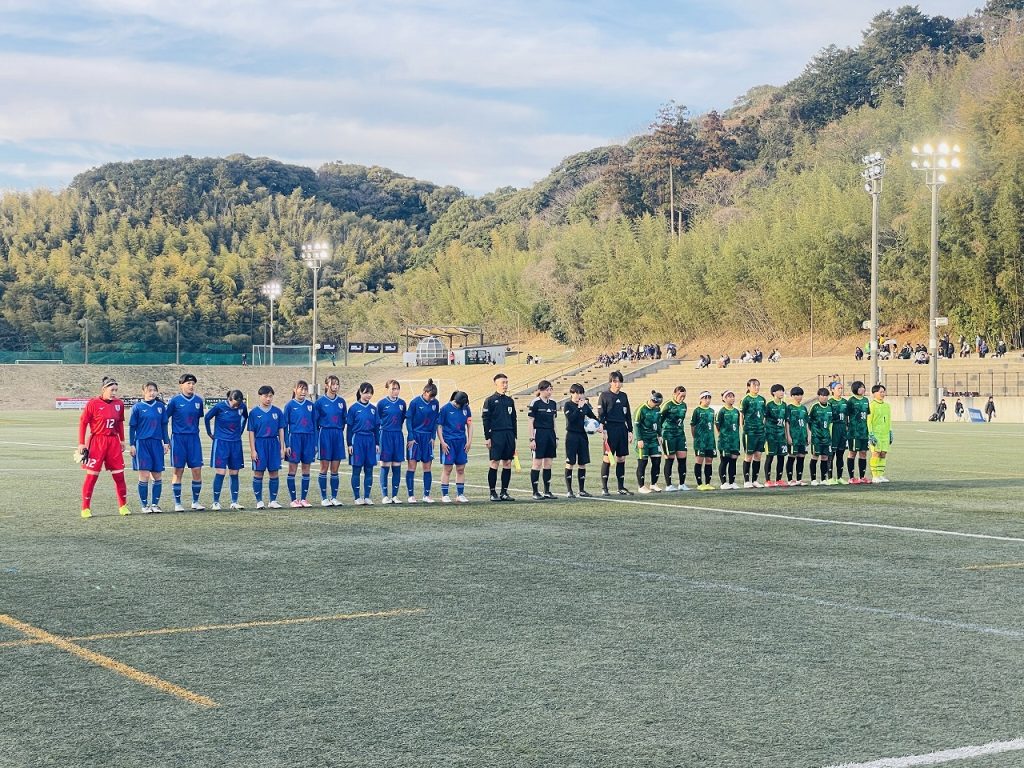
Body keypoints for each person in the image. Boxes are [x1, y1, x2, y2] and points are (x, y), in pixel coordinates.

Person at [77, 376, 130, 519]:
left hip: (113, 442)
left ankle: (123, 506)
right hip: (97, 442)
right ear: (103, 389)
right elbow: (83, 422)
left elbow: (119, 423)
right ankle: (85, 508)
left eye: (116, 390)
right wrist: (81, 443)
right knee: (92, 476)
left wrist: (122, 440)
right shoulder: (93, 403)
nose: (114, 393)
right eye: (112, 390)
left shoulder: (119, 404)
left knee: (119, 475)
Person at [166, 373, 205, 511]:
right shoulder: (174, 401)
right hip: (178, 439)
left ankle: (195, 502)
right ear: (181, 385)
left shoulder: (198, 401)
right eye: (188, 383)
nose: (191, 386)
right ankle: (177, 503)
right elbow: (165, 419)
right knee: (178, 471)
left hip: (194, 439)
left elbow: (199, 418)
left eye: (193, 383)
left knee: (197, 470)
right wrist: (166, 439)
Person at [128, 381, 169, 514]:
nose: (152, 393)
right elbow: (132, 427)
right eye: (149, 390)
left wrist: (166, 442)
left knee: (157, 475)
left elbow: (164, 426)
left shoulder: (160, 407)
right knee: (144, 475)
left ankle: (155, 505)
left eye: (154, 390)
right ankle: (144, 505)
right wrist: (132, 444)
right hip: (142, 444)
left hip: (156, 443)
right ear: (143, 392)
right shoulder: (137, 407)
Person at [204, 389, 248, 510]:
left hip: (235, 443)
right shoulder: (219, 407)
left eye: (239, 404)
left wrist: (240, 431)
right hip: (221, 443)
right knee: (221, 472)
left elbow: (245, 417)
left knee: (234, 472)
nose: (236, 406)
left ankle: (234, 502)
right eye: (235, 403)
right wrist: (210, 433)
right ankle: (215, 502)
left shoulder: (242, 407)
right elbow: (207, 417)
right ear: (230, 399)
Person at [247, 385, 285, 509]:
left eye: (270, 396)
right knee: (258, 473)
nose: (268, 399)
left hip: (273, 443)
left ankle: (273, 500)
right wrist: (253, 450)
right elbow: (251, 432)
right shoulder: (254, 413)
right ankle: (259, 501)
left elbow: (281, 430)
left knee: (274, 472)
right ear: (260, 396)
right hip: (260, 444)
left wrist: (282, 448)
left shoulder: (277, 412)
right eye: (265, 396)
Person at [482, 372, 517, 501]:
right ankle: (492, 492)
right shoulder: (490, 400)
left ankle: (504, 492)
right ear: (496, 384)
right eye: (503, 382)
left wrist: (514, 435)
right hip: (496, 435)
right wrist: (488, 437)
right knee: (494, 462)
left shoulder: (510, 401)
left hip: (509, 435)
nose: (505, 385)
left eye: (506, 382)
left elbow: (514, 418)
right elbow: (486, 419)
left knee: (507, 463)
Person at [598, 370, 633, 496]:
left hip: (622, 429)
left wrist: (630, 430)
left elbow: (628, 414)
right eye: (615, 382)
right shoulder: (604, 395)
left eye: (619, 382)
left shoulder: (624, 396)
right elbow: (601, 415)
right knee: (608, 458)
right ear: (610, 382)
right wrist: (604, 430)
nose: (617, 384)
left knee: (621, 458)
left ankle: (621, 487)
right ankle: (604, 488)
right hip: (610, 429)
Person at [405, 379, 440, 503]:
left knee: (427, 466)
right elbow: (408, 420)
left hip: (427, 438)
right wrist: (411, 436)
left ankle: (426, 495)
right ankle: (411, 495)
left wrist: (433, 437)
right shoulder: (415, 402)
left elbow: (435, 421)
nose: (432, 399)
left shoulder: (435, 403)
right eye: (430, 396)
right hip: (415, 437)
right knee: (412, 466)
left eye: (434, 397)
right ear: (425, 392)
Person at [314, 374, 347, 507]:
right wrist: (317, 441)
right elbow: (315, 423)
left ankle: (334, 497)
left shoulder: (341, 402)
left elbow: (344, 420)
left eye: (337, 384)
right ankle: (324, 498)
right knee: (324, 467)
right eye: (333, 384)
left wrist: (338, 430)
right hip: (325, 434)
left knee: (335, 468)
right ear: (326, 385)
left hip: (337, 434)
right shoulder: (320, 402)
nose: (335, 386)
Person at [283, 380, 316, 508]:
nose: (303, 391)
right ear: (294, 390)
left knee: (306, 468)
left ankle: (303, 499)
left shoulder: (311, 405)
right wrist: (287, 444)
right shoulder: (289, 405)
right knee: (292, 469)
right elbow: (285, 427)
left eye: (305, 389)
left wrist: (315, 443)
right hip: (294, 439)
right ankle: (293, 499)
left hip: (308, 438)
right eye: (301, 388)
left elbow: (314, 425)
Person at [562, 384, 599, 498]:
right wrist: (579, 408)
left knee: (582, 463)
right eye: (577, 393)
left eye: (581, 393)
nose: (579, 395)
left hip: (582, 436)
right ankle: (569, 491)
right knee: (570, 463)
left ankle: (581, 490)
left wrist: (599, 425)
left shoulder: (585, 406)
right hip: (572, 436)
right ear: (572, 394)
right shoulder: (568, 405)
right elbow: (571, 419)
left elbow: (593, 417)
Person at [347, 382, 381, 504]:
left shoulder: (373, 409)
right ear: (361, 392)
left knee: (369, 469)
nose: (369, 395)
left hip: (370, 440)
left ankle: (367, 497)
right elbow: (349, 428)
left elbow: (377, 428)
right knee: (356, 469)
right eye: (366, 392)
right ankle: (357, 497)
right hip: (357, 440)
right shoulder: (353, 408)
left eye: (371, 393)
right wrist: (349, 444)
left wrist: (377, 443)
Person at [437, 390, 472, 503]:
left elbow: (469, 425)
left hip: (461, 442)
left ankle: (460, 495)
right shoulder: (445, 409)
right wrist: (442, 442)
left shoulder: (466, 408)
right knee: (448, 469)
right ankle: (445, 495)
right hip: (448, 442)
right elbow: (439, 426)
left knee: (461, 468)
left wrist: (469, 441)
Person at [528, 380, 559, 499]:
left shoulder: (553, 403)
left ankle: (547, 491)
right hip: (539, 434)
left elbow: (554, 421)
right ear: (541, 390)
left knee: (548, 463)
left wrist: (556, 437)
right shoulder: (535, 403)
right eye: (547, 389)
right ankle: (535, 492)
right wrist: (532, 439)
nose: (549, 392)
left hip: (550, 434)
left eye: (551, 389)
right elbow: (531, 422)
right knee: (537, 463)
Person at [377, 379, 407, 504]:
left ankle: (395, 495)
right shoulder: (381, 403)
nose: (396, 391)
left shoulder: (402, 403)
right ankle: (385, 496)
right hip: (385, 435)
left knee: (397, 465)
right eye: (393, 388)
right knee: (385, 464)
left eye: (397, 388)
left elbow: (402, 419)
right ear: (387, 389)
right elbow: (377, 420)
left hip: (397, 435)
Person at [659, 386, 689, 491]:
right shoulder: (667, 405)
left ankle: (682, 484)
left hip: (680, 435)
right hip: (668, 435)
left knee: (682, 459)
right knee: (669, 459)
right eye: (681, 396)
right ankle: (669, 485)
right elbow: (659, 420)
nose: (682, 398)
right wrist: (659, 434)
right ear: (675, 394)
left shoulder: (684, 405)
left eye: (684, 396)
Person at [634, 391, 664, 494]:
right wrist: (639, 439)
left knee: (657, 461)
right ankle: (641, 486)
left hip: (653, 439)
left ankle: (653, 484)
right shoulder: (641, 409)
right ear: (651, 400)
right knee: (643, 462)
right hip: (643, 439)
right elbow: (636, 425)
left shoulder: (657, 409)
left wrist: (659, 435)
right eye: (655, 403)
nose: (656, 406)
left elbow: (658, 423)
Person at [739, 378, 766, 488]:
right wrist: (743, 427)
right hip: (749, 432)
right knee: (748, 456)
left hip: (760, 431)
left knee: (758, 455)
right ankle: (746, 481)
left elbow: (763, 414)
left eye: (758, 385)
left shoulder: (762, 399)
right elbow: (741, 414)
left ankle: (755, 480)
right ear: (748, 387)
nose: (757, 387)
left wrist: (763, 425)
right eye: (754, 385)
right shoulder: (745, 399)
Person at [690, 391, 717, 491]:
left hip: (710, 441)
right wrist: (696, 437)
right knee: (699, 461)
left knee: (709, 461)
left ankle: (708, 483)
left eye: (709, 398)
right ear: (701, 399)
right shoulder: (697, 411)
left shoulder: (712, 411)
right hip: (700, 441)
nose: (707, 400)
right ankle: (699, 483)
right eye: (705, 398)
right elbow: (693, 425)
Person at [845, 381, 871, 484]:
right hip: (854, 432)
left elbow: (867, 415)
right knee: (852, 453)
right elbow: (846, 415)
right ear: (855, 389)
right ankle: (851, 477)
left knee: (863, 453)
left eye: (863, 387)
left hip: (864, 432)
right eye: (860, 387)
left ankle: (862, 477)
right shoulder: (851, 401)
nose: (862, 389)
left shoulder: (866, 400)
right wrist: (847, 427)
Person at [764, 384, 789, 487]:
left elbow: (786, 421)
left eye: (782, 391)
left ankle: (779, 479)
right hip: (771, 435)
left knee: (781, 457)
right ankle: (768, 480)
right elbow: (764, 420)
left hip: (781, 435)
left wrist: (787, 435)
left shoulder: (784, 405)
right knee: (770, 457)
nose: (782, 393)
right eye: (779, 391)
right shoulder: (769, 405)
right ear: (774, 393)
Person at [715, 390, 741, 489]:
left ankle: (732, 482)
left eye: (733, 396)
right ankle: (723, 482)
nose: (732, 398)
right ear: (724, 399)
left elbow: (737, 425)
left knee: (733, 460)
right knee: (724, 460)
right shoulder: (721, 411)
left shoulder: (736, 411)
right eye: (729, 396)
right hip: (724, 441)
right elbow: (717, 425)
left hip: (735, 440)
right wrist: (723, 436)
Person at [808, 387, 833, 486]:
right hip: (816, 437)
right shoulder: (815, 407)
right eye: (822, 395)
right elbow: (809, 421)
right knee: (815, 456)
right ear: (818, 396)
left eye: (826, 395)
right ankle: (813, 479)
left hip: (826, 437)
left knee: (825, 457)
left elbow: (831, 421)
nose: (824, 397)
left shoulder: (830, 406)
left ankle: (823, 479)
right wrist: (812, 433)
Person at [868, 384, 892, 483]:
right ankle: (875, 476)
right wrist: (870, 433)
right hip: (876, 434)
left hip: (885, 434)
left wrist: (890, 431)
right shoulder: (872, 405)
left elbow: (889, 420)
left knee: (883, 453)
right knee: (876, 453)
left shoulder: (887, 406)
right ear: (874, 393)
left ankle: (880, 475)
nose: (882, 394)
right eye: (880, 392)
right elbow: (869, 420)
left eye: (883, 392)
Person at [785, 387, 809, 486]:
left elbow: (806, 423)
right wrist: (788, 436)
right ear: (792, 396)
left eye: (801, 395)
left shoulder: (803, 408)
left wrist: (808, 435)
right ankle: (790, 479)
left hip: (802, 436)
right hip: (793, 436)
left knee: (801, 457)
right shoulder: (789, 408)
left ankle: (799, 479)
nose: (799, 397)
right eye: (797, 395)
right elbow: (787, 423)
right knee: (792, 456)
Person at [828, 381, 850, 485]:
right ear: (832, 390)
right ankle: (830, 477)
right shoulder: (830, 402)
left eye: (841, 388)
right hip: (833, 428)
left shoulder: (845, 402)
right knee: (831, 454)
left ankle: (840, 477)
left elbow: (847, 416)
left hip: (843, 429)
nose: (840, 390)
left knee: (840, 454)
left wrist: (847, 427)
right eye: (838, 388)